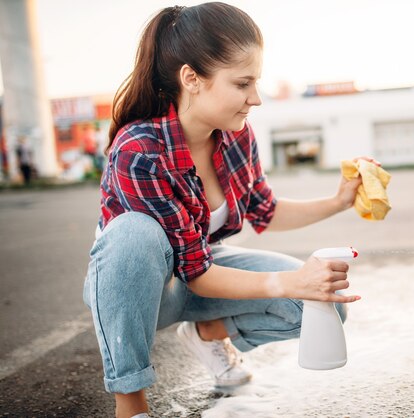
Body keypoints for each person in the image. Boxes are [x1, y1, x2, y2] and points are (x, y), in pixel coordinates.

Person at [83, 3, 372, 417]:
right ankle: (131, 403)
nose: (255, 98)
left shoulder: (235, 135)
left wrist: (339, 202)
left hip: (200, 271)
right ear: (192, 79)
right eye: (242, 83)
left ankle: (208, 334)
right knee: (133, 233)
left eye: (256, 83)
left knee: (319, 303)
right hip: (140, 287)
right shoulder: (138, 150)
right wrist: (291, 281)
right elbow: (196, 275)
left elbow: (264, 211)